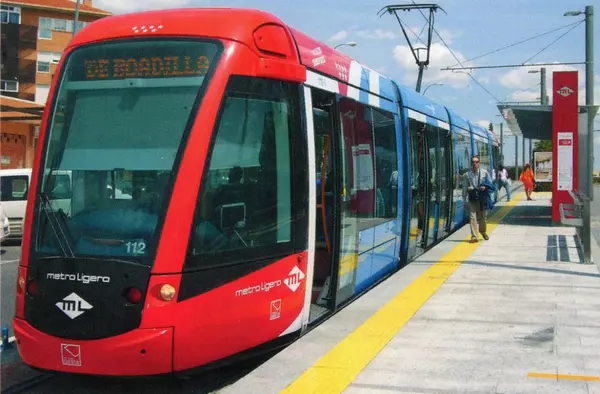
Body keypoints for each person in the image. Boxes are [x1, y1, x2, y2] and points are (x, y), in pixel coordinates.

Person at [462, 155, 493, 243]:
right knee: (472, 217)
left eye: (476, 162)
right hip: (472, 198)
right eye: (473, 162)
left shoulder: (484, 172)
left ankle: (483, 232)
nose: (474, 163)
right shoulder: (467, 175)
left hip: (482, 198)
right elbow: (464, 188)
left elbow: (490, 183)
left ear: (479, 163)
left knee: (483, 217)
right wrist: (464, 200)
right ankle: (474, 236)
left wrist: (485, 187)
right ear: (471, 164)